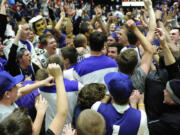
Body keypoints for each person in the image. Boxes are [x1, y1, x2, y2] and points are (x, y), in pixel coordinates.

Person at [0, 64, 68, 135]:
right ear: (7, 94)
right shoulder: (5, 116)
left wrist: (42, 82)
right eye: (14, 86)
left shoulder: (5, 100)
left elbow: (20, 92)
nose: (18, 86)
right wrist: (40, 113)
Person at [117, 20, 153, 92]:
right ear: (135, 67)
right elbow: (149, 51)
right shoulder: (139, 78)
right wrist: (134, 29)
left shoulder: (115, 81)